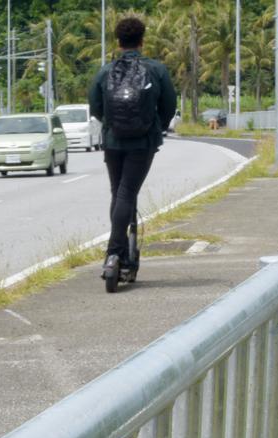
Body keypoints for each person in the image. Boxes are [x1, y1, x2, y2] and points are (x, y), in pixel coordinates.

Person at [89, 16, 177, 283]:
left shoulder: (105, 71)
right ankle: (115, 254)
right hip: (143, 142)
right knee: (128, 193)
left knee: (119, 193)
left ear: (118, 42)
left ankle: (115, 255)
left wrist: (113, 125)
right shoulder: (156, 69)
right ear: (142, 40)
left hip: (114, 141)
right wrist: (155, 127)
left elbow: (95, 106)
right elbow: (169, 105)